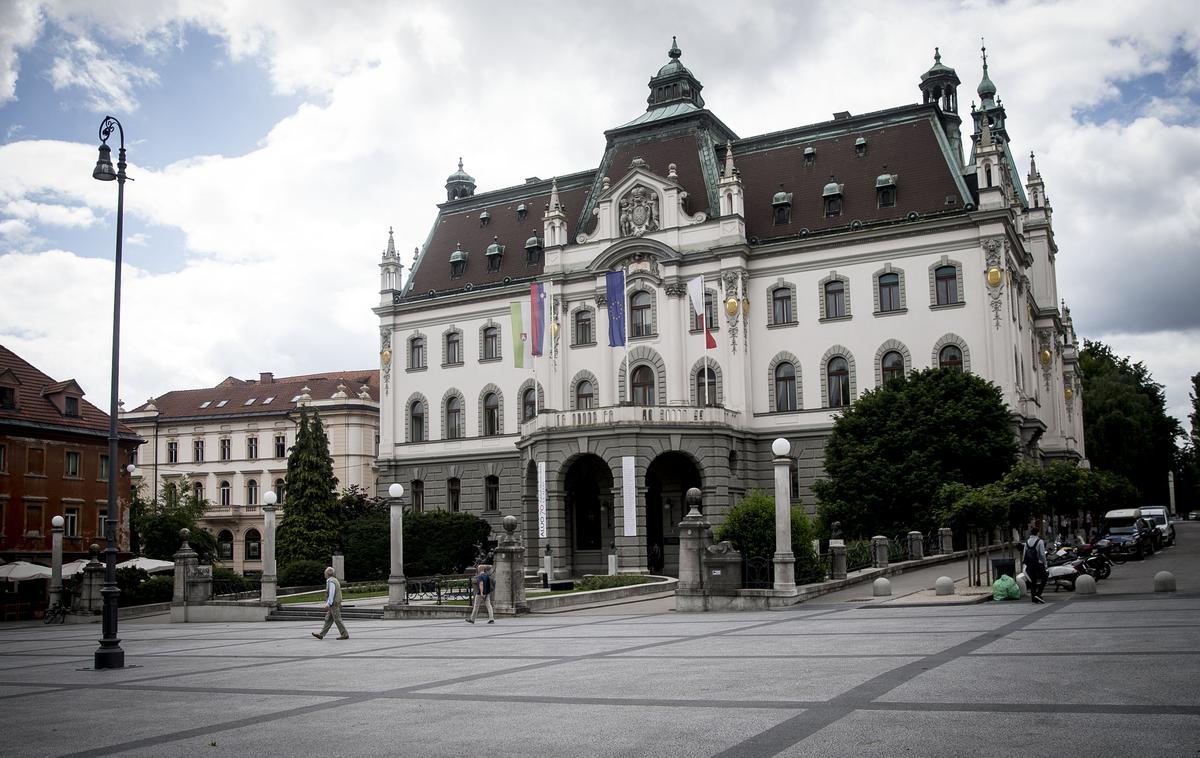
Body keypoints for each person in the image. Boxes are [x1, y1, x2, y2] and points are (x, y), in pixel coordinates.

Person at [311, 567, 349, 639]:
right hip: (335, 603)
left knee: (337, 619)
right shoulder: (335, 580)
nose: (324, 574)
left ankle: (344, 634)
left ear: (328, 573)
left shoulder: (331, 581)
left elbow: (332, 593)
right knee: (328, 619)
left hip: (333, 604)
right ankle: (321, 634)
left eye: (325, 572)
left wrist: (328, 604)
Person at [1023, 527, 1048, 605]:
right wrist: (1045, 563)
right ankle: (1038, 594)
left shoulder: (1027, 542)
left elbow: (1024, 554)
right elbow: (1042, 554)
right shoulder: (1040, 541)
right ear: (1037, 533)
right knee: (1044, 577)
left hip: (1030, 564)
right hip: (1038, 563)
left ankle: (1033, 597)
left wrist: (1025, 563)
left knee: (1033, 580)